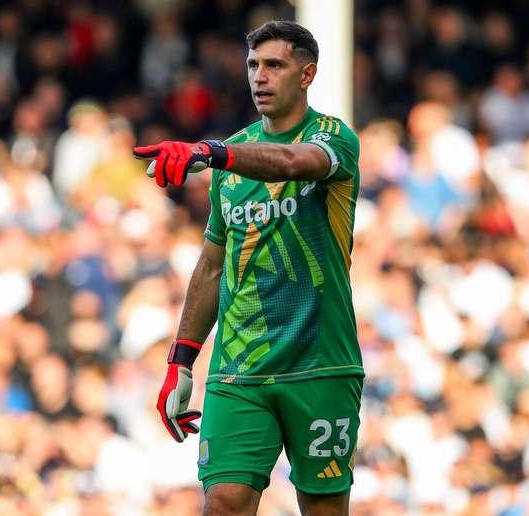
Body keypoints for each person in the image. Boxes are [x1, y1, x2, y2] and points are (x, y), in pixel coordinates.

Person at [133, 20, 364, 516]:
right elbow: (213, 266)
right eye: (253, 65)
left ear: (307, 75)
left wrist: (212, 153)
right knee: (224, 503)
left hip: (319, 362)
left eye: (275, 65)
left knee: (323, 509)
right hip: (239, 367)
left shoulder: (334, 138)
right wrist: (181, 361)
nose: (260, 76)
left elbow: (291, 162)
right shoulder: (230, 162)